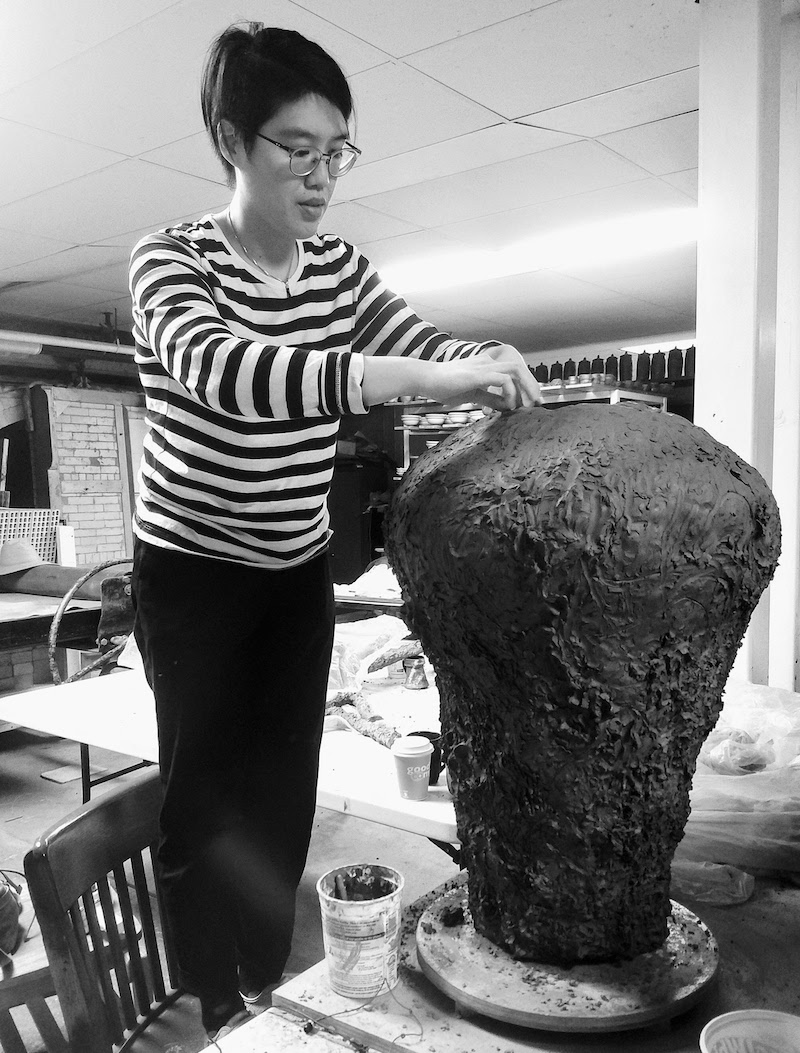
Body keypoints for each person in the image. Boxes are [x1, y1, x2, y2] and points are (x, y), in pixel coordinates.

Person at [128, 21, 540, 1043]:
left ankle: (259, 986)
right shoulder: (167, 263)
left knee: (279, 790)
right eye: (294, 149)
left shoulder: (338, 271)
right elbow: (239, 374)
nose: (319, 176)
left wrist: (477, 350)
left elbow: (417, 338)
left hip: (291, 570)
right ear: (231, 140)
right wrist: (414, 381)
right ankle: (202, 995)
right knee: (201, 794)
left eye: (335, 152)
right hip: (191, 572)